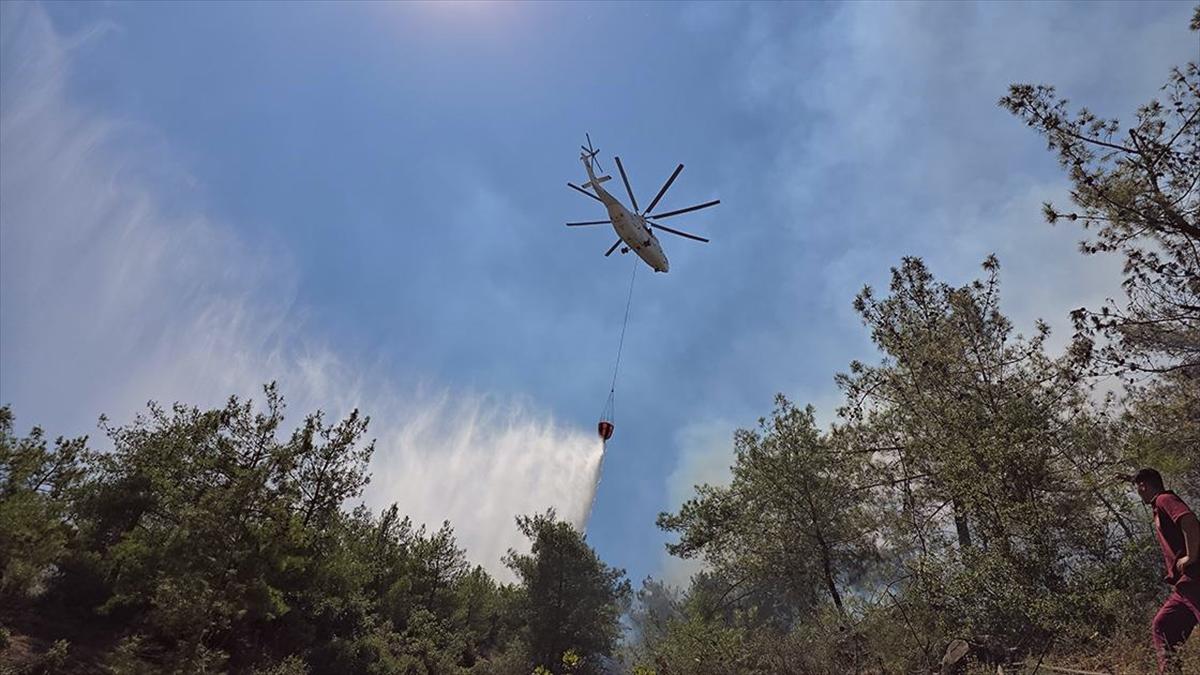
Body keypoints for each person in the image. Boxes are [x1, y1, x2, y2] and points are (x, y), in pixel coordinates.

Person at [1128, 468, 1200, 673]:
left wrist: (1191, 556)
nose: (1138, 493)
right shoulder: (1157, 505)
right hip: (1184, 587)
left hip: (1196, 579)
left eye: (1138, 488)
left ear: (1144, 486)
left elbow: (1189, 521)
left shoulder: (1164, 499)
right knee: (1164, 625)